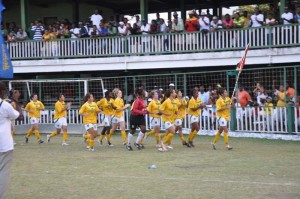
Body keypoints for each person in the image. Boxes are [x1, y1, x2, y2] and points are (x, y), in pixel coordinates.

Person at [0, 82, 20, 199]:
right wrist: (15, 101)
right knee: (3, 173)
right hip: (4, 144)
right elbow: (18, 115)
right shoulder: (4, 105)